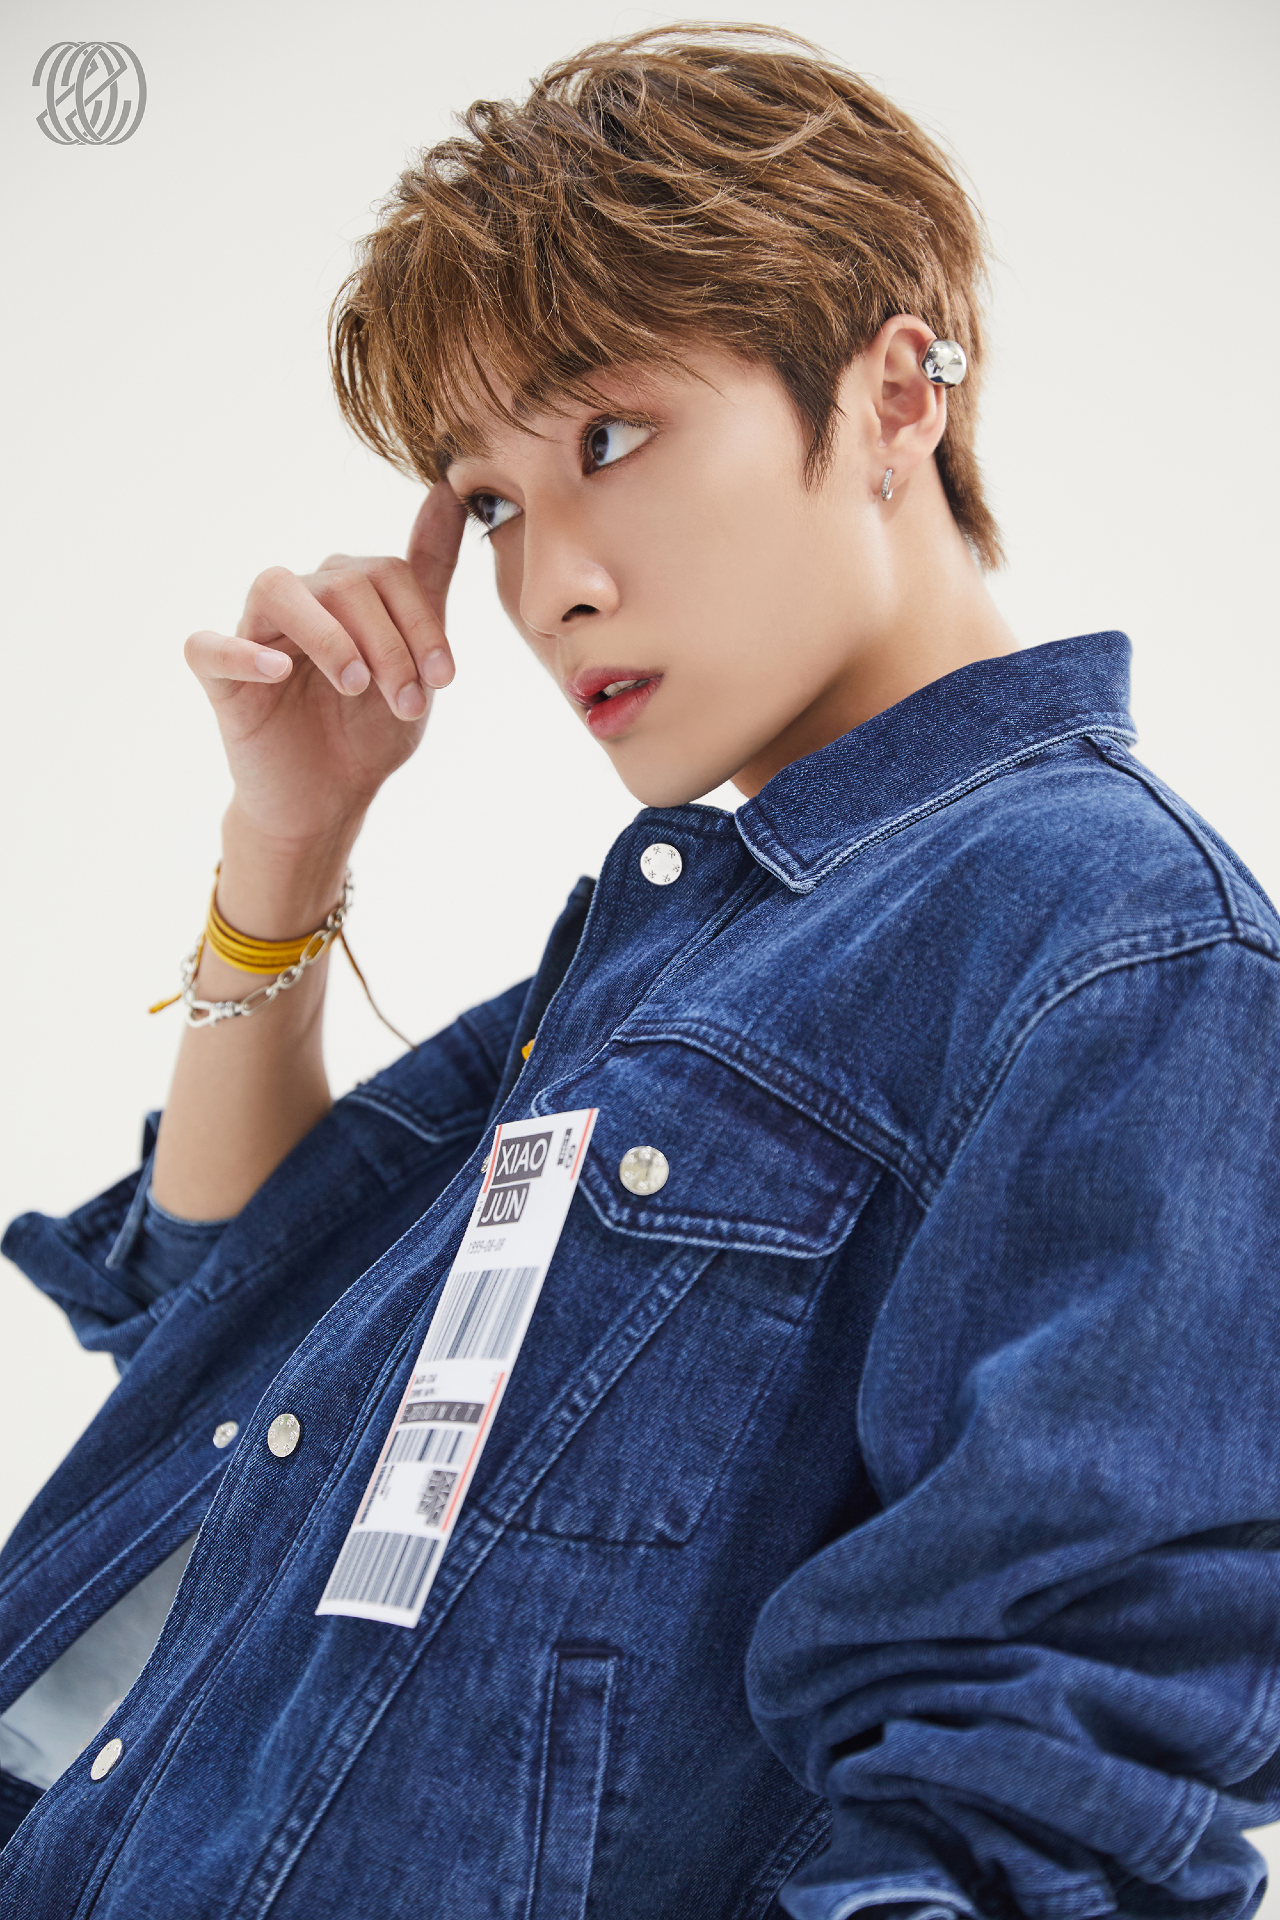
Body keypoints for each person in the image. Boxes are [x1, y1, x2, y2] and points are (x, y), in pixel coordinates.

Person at [2, 22, 1279, 1919]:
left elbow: (1045, 1786)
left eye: (608, 438)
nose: (548, 587)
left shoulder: (1112, 943)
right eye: (493, 502)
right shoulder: (685, 941)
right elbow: (213, 1331)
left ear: (898, 396)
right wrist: (289, 843)